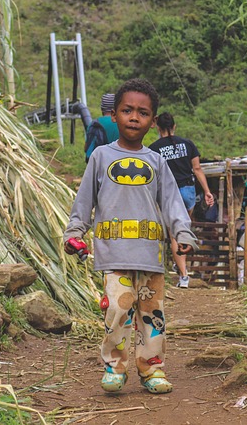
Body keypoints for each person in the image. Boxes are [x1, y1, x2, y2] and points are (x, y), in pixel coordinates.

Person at [64, 79, 198, 395]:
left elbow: (172, 203)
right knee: (117, 310)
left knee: (153, 315)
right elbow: (84, 200)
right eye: (127, 110)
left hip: (150, 255)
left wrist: (182, 232)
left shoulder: (157, 161)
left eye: (142, 112)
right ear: (115, 115)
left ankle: (152, 370)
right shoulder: (100, 157)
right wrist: (75, 232)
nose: (134, 117)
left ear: (153, 121)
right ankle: (115, 367)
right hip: (114, 253)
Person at [148, 112, 214, 288]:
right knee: (182, 228)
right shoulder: (188, 144)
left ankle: (183, 275)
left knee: (174, 233)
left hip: (169, 193)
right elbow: (197, 169)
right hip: (188, 191)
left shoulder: (154, 148)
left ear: (158, 127)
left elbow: (152, 176)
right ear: (174, 126)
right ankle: (182, 270)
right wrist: (207, 191)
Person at [84, 93, 120, 161]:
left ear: (102, 108)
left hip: (97, 163)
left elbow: (86, 148)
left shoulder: (94, 123)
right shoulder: (121, 123)